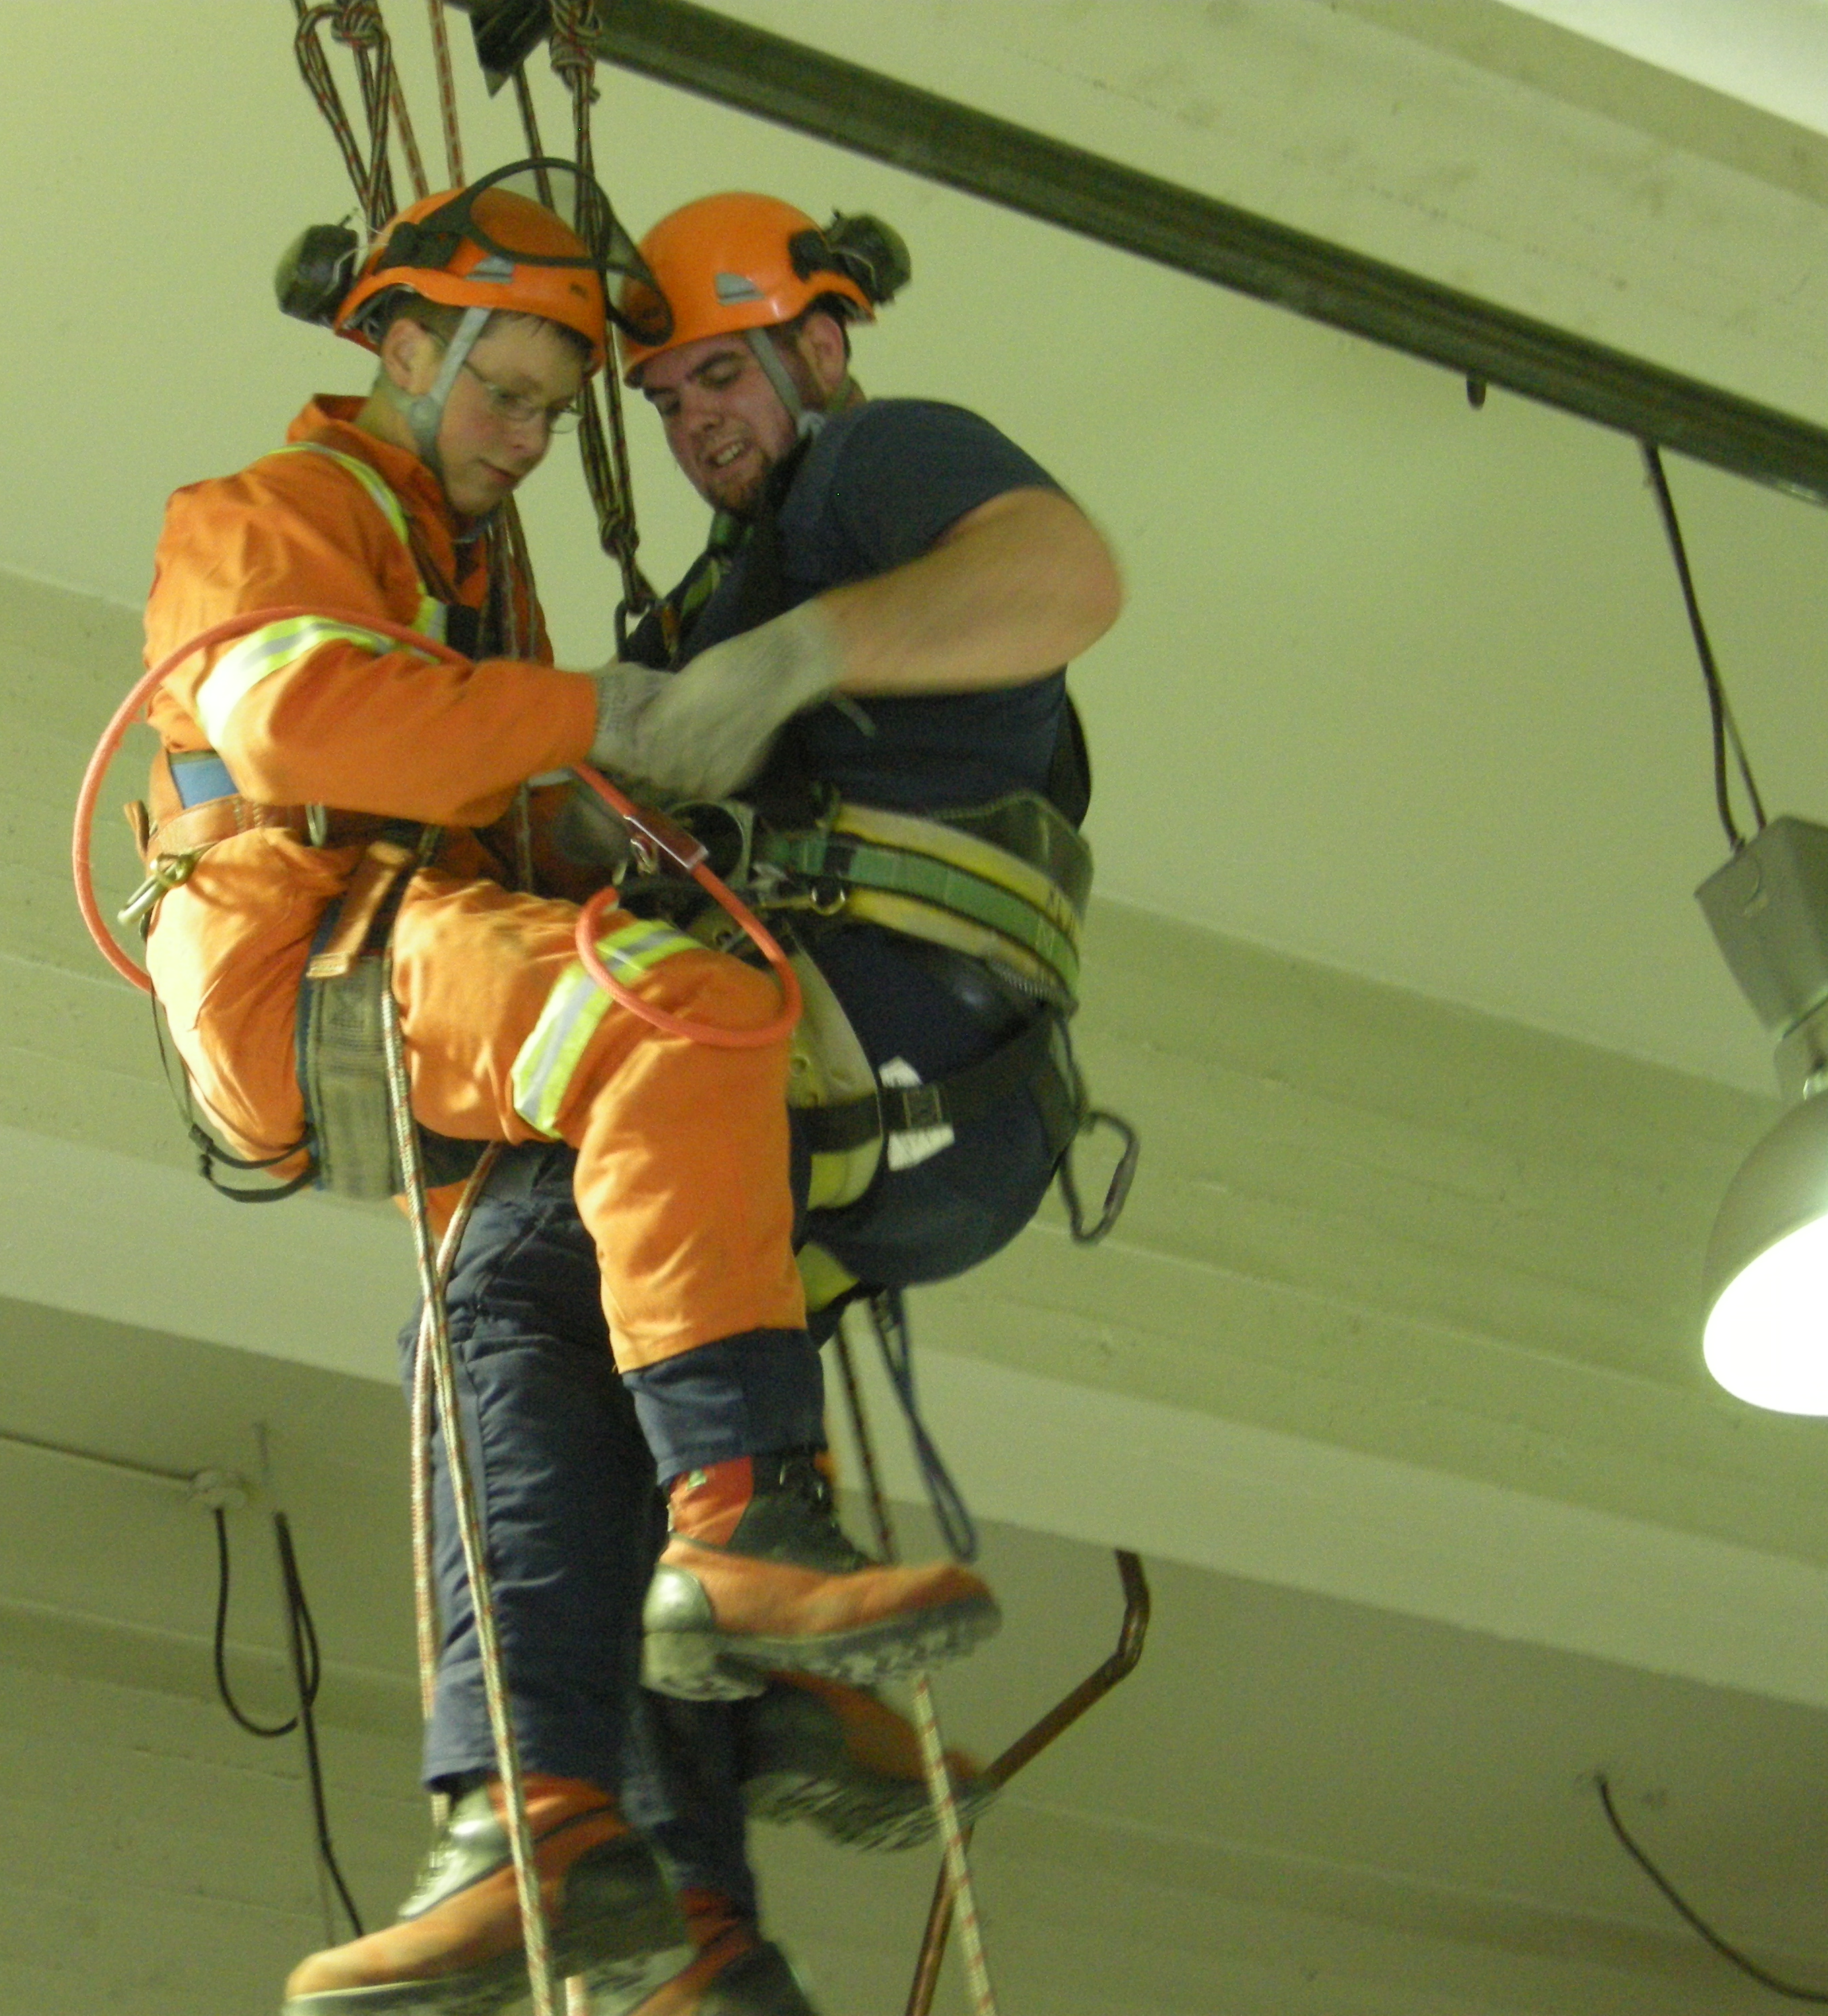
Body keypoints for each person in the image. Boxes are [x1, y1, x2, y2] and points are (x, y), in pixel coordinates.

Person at [130, 164, 996, 2016]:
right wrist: (604, 714)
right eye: (506, 393)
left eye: (557, 407)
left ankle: (604, 1870)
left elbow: (487, 787)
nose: (532, 439)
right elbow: (299, 724)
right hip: (324, 966)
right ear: (400, 343)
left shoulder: (467, 573)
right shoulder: (270, 511)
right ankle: (749, 1535)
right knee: (680, 1016)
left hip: (413, 972)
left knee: (546, 1348)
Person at [423, 192, 1126, 2013]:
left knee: (512, 1257)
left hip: (898, 1043)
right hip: (891, 1099)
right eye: (660, 399)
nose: (695, 422)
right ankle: (702, 1929)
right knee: (620, 1402)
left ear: (822, 343)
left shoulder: (879, 469)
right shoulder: (744, 570)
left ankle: (549, 1804)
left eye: (721, 373)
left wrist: (787, 661)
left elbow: (1068, 581)